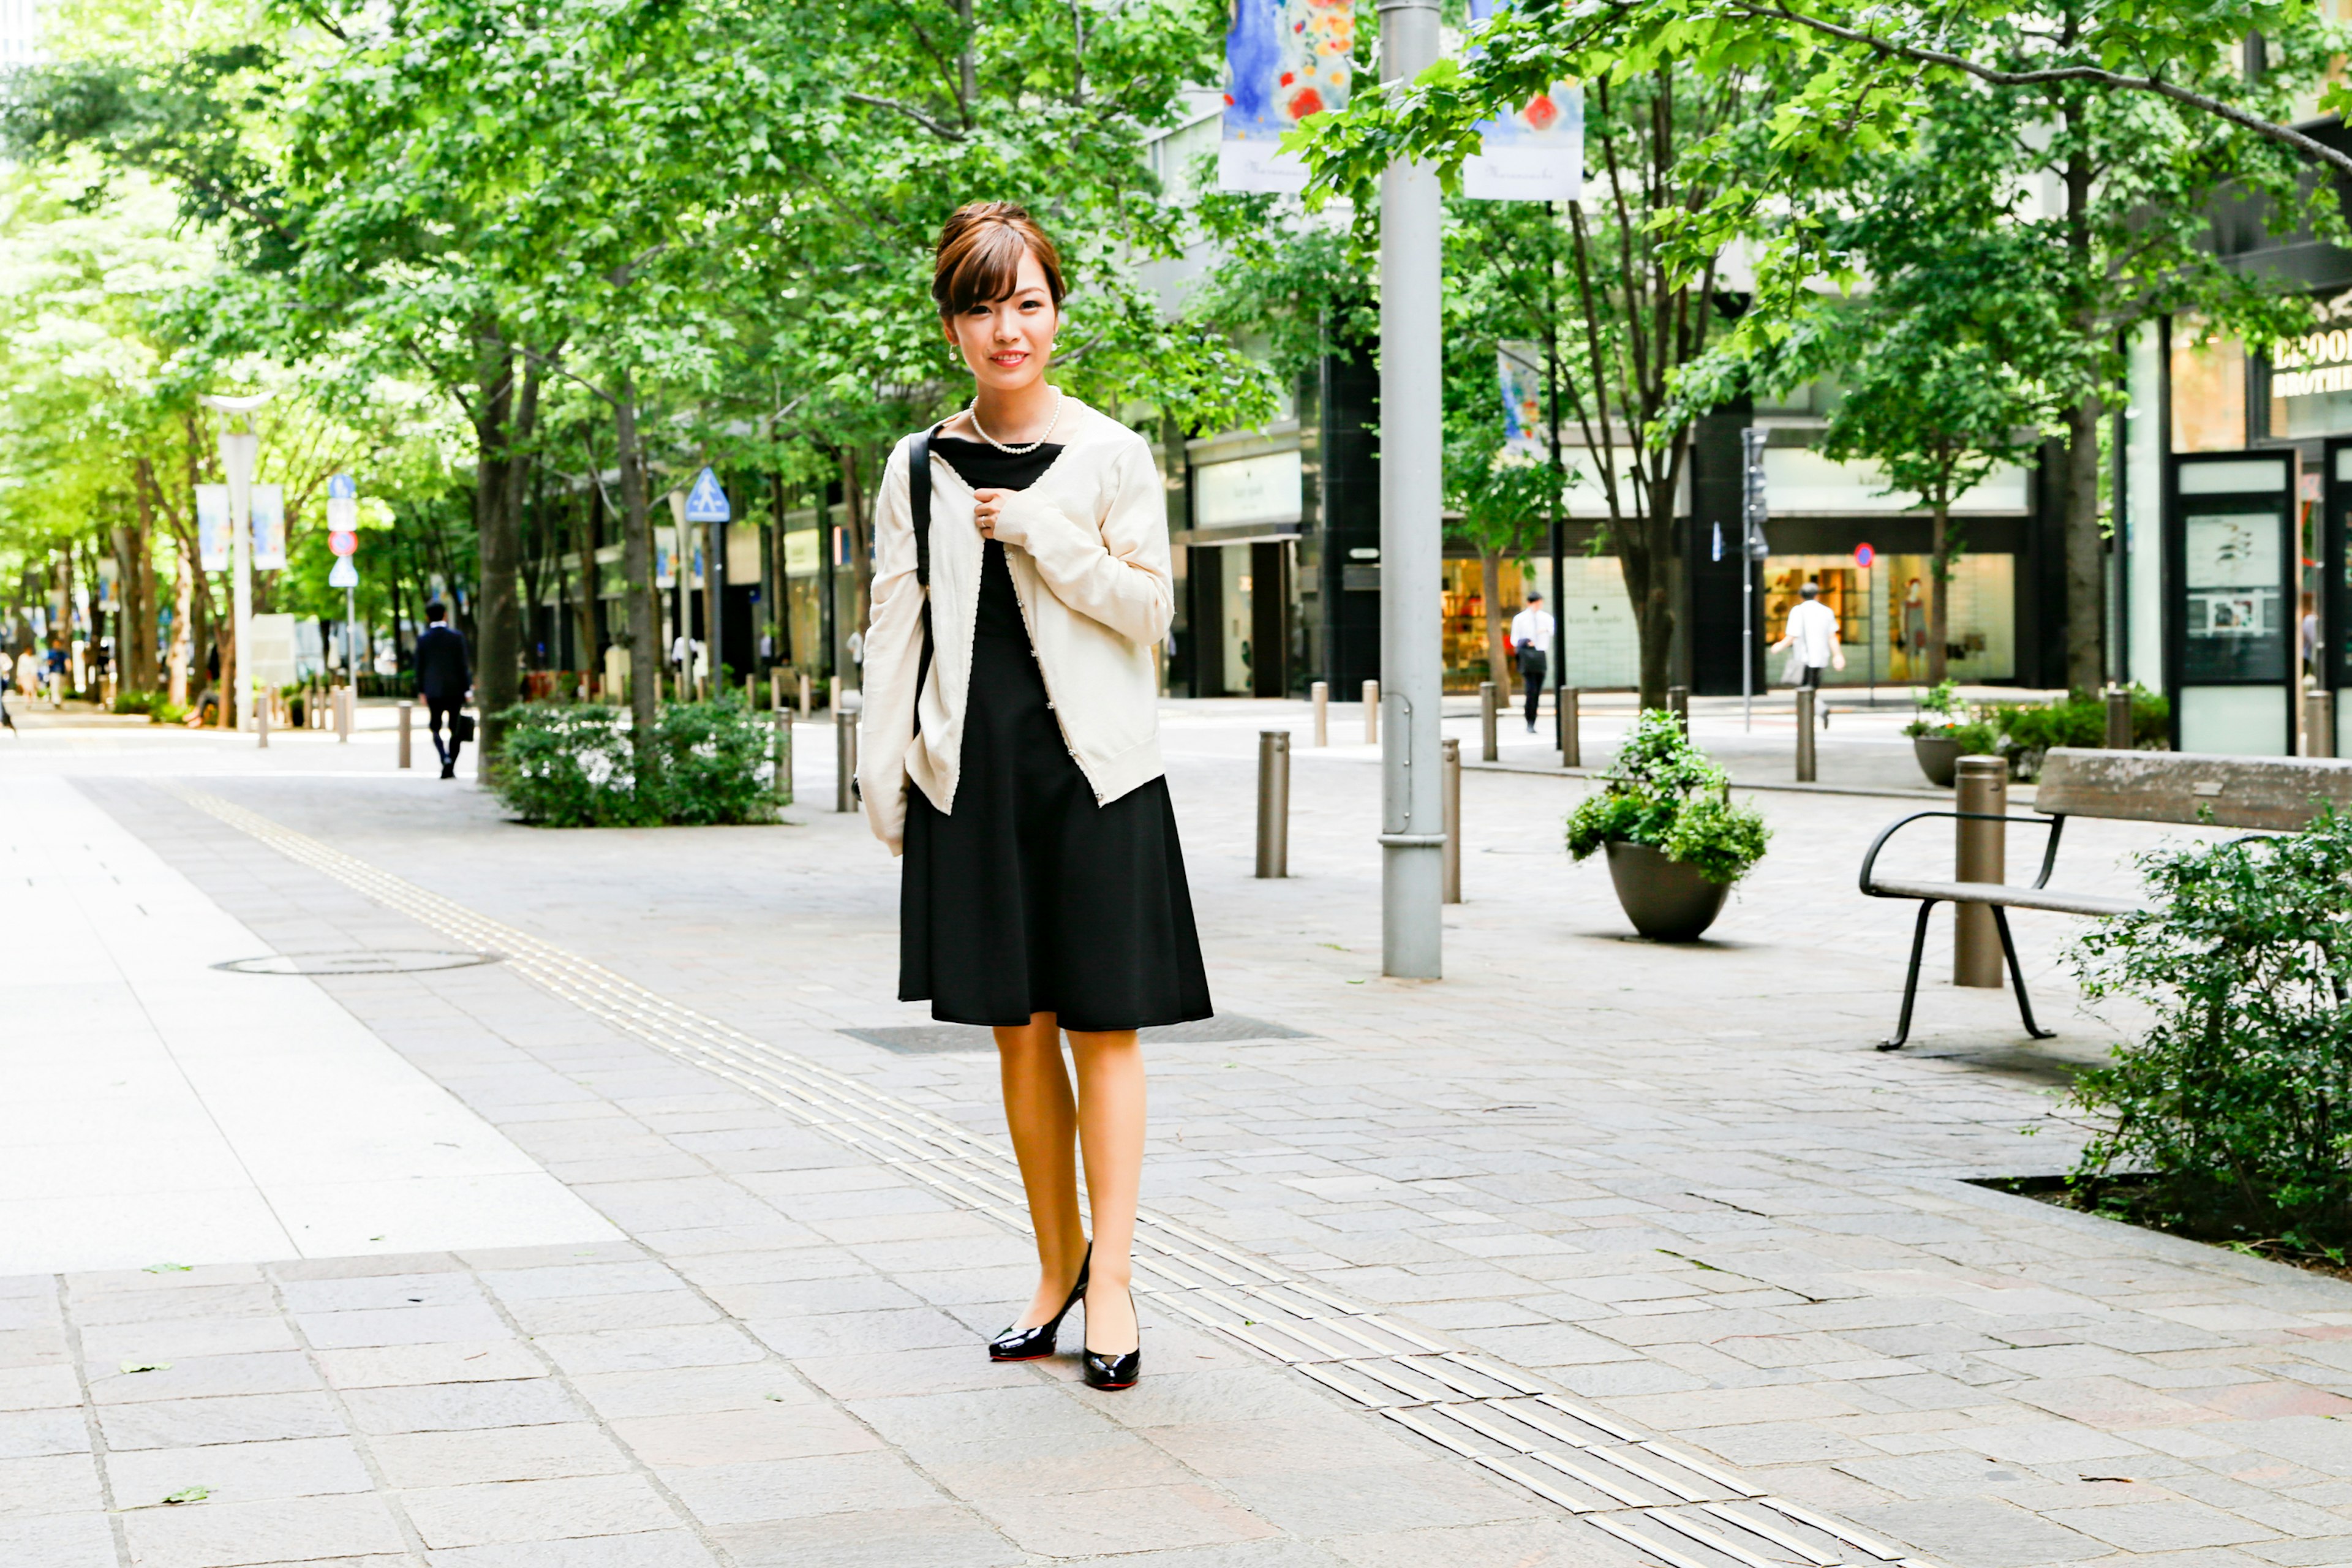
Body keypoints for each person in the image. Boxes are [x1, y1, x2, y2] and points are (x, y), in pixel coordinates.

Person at [858, 202, 1211, 1393]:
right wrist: (885, 779)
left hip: (1098, 775)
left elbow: (1154, 612)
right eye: (980, 304)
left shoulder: (1111, 455)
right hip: (978, 778)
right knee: (1020, 1031)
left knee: (1103, 1026)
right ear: (952, 323)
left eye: (1027, 302)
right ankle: (1053, 1266)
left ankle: (1112, 1276)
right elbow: (892, 631)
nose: (1007, 328)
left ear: (1056, 311)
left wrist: (1046, 532)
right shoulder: (915, 469)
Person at [413, 602, 472, 778]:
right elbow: (463, 665)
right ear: (445, 615)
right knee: (456, 729)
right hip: (455, 691)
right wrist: (468, 689)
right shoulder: (456, 637)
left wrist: (421, 690)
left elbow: (419, 668)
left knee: (435, 727)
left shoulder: (423, 640)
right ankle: (451, 766)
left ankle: (443, 757)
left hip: (433, 691)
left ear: (427, 617)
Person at [1773, 581, 1844, 704]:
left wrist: (1779, 646)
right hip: (1821, 658)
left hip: (1804, 659)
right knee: (1813, 689)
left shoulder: (1798, 611)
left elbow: (1793, 635)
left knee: (1804, 691)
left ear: (1801, 596)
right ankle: (1813, 712)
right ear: (1817, 595)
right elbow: (1832, 636)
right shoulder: (1826, 611)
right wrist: (1838, 655)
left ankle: (1816, 711)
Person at [1508, 591, 1555, 734]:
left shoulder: (1546, 618)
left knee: (1538, 690)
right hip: (1527, 657)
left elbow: (1553, 630)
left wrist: (1544, 630)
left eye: (1540, 603)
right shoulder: (1520, 619)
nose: (1538, 606)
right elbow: (1514, 639)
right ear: (1529, 603)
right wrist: (1526, 642)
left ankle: (1533, 719)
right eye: (1536, 603)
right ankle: (1530, 720)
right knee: (1531, 690)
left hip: (1541, 655)